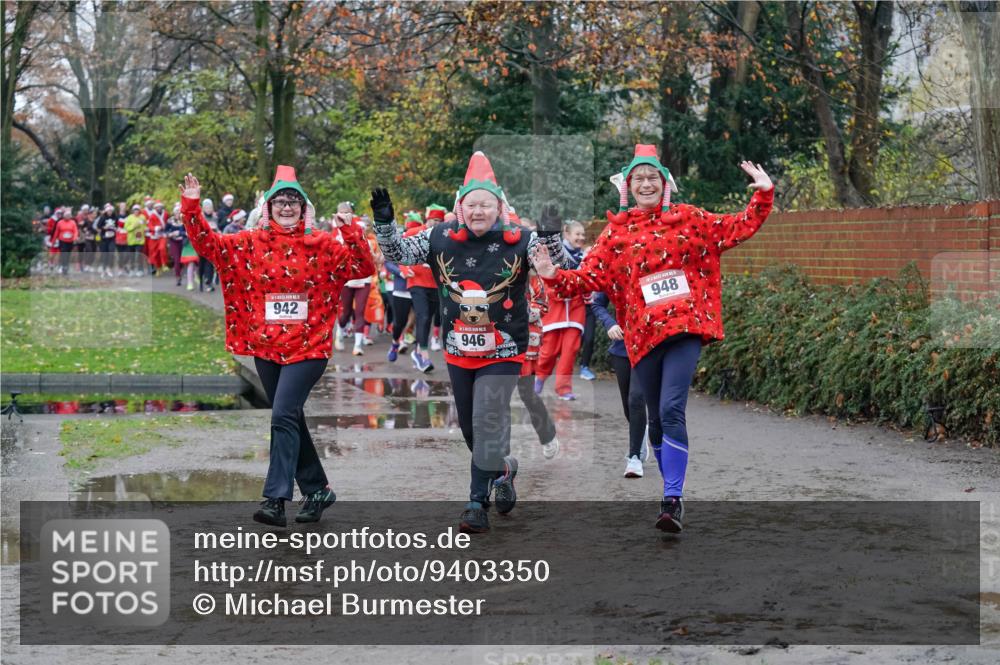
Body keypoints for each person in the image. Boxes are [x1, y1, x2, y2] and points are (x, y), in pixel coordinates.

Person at [531, 145, 773, 532]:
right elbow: (589, 280)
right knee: (656, 419)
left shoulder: (689, 219)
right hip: (641, 335)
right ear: (628, 186)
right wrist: (551, 273)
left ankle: (672, 499)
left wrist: (762, 194)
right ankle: (669, 488)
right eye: (638, 178)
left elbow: (736, 228)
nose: (646, 183)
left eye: (652, 178)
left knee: (673, 408)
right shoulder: (615, 234)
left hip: (684, 327)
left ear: (665, 184)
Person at [372, 151, 569, 534]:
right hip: (460, 350)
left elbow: (557, 267)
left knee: (487, 419)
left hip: (505, 349)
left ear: (499, 207)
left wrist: (550, 234)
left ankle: (476, 503)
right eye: (472, 204)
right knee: (470, 429)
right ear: (460, 207)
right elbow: (397, 253)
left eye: (486, 204)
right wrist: (384, 222)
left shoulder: (521, 240)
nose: (479, 211)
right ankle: (504, 469)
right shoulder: (439, 237)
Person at [179, 167, 375, 526]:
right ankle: (317, 489)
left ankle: (275, 499)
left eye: (293, 202)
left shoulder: (323, 245)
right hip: (267, 349)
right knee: (291, 418)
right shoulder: (247, 243)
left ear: (304, 209)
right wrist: (191, 206)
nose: (287, 207)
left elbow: (363, 265)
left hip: (309, 347)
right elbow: (207, 244)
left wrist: (349, 230)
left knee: (283, 414)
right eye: (280, 201)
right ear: (268, 208)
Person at [590, 290, 651, 478]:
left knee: (636, 399)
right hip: (621, 346)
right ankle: (640, 431)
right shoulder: (614, 269)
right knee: (628, 406)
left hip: (647, 344)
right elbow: (596, 303)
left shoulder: (650, 267)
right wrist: (610, 323)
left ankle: (634, 458)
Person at [533, 218, 587, 400]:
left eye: (582, 234)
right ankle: (539, 378)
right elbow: (544, 280)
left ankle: (563, 388)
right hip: (554, 309)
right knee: (549, 351)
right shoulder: (555, 254)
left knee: (570, 350)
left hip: (575, 309)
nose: (581, 237)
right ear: (567, 234)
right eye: (577, 234)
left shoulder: (586, 257)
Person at [198, 198, 218, 291]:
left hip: (211, 243)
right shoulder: (200, 217)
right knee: (202, 263)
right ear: (203, 208)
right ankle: (201, 281)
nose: (208, 209)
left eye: (210, 207)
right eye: (206, 207)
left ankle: (209, 281)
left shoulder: (215, 217)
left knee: (210, 262)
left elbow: (217, 228)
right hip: (201, 243)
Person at [165, 203, 187, 286]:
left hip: (183, 241)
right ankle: (178, 277)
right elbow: (165, 231)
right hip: (173, 242)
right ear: (174, 213)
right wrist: (170, 234)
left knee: (183, 259)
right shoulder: (170, 221)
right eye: (176, 212)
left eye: (179, 212)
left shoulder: (185, 220)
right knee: (177, 259)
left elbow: (188, 232)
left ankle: (183, 273)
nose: (178, 213)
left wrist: (180, 232)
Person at [53, 208, 79, 274]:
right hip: (62, 241)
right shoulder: (60, 222)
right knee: (63, 253)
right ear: (64, 216)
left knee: (68, 254)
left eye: (69, 215)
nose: (68, 217)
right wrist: (53, 241)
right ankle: (62, 266)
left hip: (70, 241)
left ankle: (66, 266)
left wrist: (75, 237)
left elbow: (75, 231)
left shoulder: (73, 222)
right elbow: (56, 232)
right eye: (67, 215)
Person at [124, 204, 147, 276]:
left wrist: (143, 229)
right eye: (135, 210)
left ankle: (140, 270)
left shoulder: (143, 217)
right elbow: (126, 228)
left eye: (137, 210)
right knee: (132, 256)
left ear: (139, 211)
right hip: (131, 240)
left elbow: (145, 227)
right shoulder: (129, 218)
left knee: (139, 255)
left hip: (140, 240)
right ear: (133, 211)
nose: (136, 211)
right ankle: (132, 270)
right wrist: (134, 226)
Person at [96, 203, 118, 277]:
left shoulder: (115, 217)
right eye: (108, 211)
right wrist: (104, 228)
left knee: (111, 252)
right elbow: (98, 227)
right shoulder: (102, 218)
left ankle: (109, 269)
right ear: (106, 211)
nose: (110, 212)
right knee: (104, 254)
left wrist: (115, 228)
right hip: (104, 238)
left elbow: (118, 226)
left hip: (112, 238)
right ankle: (103, 269)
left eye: (111, 211)